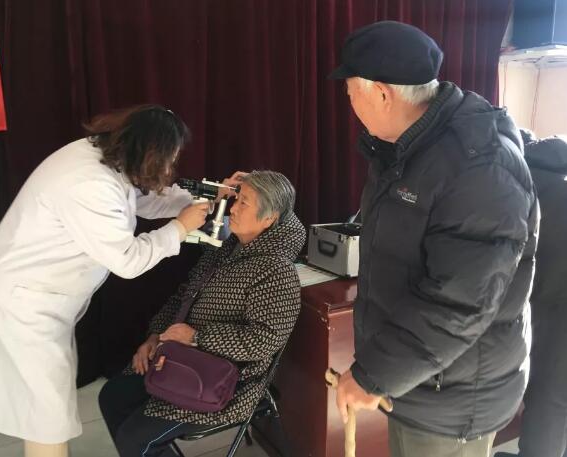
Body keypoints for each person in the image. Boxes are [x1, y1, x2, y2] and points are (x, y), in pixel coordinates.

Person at [0, 104, 242, 457]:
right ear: (149, 152)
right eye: (169, 160)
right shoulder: (89, 183)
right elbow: (128, 260)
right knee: (47, 414)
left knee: (41, 407)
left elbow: (143, 199)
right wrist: (180, 228)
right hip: (21, 305)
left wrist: (209, 197)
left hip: (34, 298)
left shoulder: (104, 155)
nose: (170, 170)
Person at [329, 21, 538, 457]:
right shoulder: (407, 145)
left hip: (454, 397)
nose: (348, 103)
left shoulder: (479, 166)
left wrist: (374, 375)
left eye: (350, 91)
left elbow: (459, 301)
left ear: (381, 94)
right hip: (420, 378)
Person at [98, 170, 306, 457]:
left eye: (244, 203)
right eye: (237, 199)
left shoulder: (276, 271)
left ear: (269, 218)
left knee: (136, 438)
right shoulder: (225, 249)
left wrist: (197, 337)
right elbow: (184, 295)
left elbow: (264, 340)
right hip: (177, 355)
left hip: (224, 380)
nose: (232, 209)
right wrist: (155, 335)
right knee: (112, 397)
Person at [495, 132, 567, 457]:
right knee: (555, 401)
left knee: (548, 401)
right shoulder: (561, 184)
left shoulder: (517, 186)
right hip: (556, 310)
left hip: (540, 311)